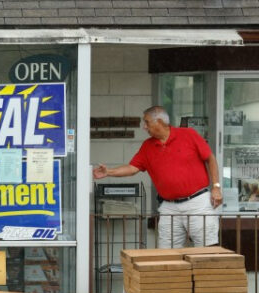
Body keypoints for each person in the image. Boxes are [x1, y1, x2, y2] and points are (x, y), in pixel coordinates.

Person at [93, 106, 222, 248]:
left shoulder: (188, 134)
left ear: (159, 121)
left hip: (197, 202)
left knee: (208, 250)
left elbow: (210, 158)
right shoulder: (147, 146)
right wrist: (108, 172)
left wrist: (216, 187)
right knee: (166, 254)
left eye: (147, 122)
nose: (144, 127)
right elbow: (132, 168)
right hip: (169, 205)